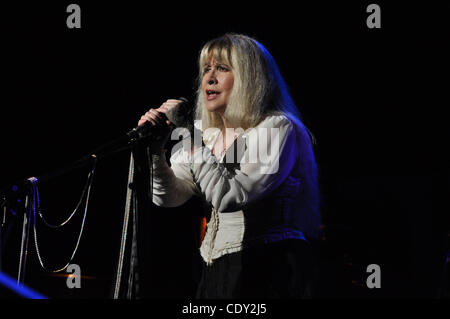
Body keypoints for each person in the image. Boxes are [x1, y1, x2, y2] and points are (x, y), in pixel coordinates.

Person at [137, 33, 321, 298]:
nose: (209, 78)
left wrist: (189, 136)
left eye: (222, 68)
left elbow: (231, 195)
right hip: (215, 271)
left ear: (250, 78)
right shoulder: (205, 135)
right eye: (206, 69)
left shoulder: (276, 127)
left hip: (268, 267)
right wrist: (156, 151)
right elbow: (169, 198)